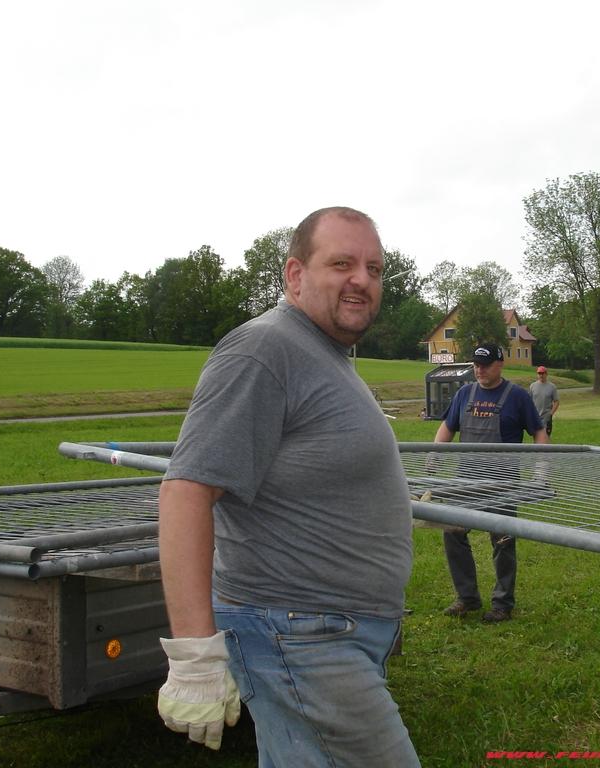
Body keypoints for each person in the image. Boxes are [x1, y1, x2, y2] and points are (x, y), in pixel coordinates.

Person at [156, 206, 420, 766]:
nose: (362, 280)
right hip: (300, 634)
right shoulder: (265, 350)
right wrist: (195, 657)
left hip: (323, 632)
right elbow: (186, 491)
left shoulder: (321, 354)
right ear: (295, 276)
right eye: (342, 263)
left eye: (374, 268)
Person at [434, 342, 549, 623]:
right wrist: (434, 455)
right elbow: (448, 427)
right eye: (476, 364)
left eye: (485, 364)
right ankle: (467, 597)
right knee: (453, 532)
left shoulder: (517, 396)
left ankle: (502, 604)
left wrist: (542, 468)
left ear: (500, 364)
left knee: (503, 540)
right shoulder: (464, 393)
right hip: (465, 480)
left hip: (503, 482)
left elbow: (538, 431)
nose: (479, 369)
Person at [528, 365, 560, 437]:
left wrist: (551, 413)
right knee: (536, 436)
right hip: (535, 416)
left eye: (542, 373)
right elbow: (529, 401)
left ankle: (546, 448)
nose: (541, 375)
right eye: (539, 373)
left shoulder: (552, 387)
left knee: (545, 437)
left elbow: (556, 401)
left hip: (546, 416)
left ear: (546, 374)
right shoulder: (532, 386)